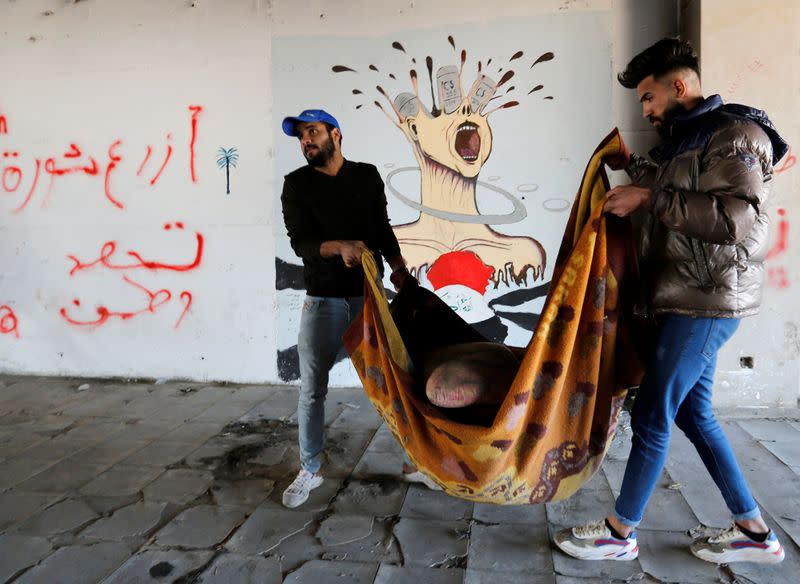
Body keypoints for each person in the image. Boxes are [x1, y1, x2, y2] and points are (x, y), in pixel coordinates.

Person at [553, 38, 787, 564]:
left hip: (706, 302)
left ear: (679, 86)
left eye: (649, 97)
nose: (646, 109)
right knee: (693, 414)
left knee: (654, 414)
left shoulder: (735, 134)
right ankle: (753, 531)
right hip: (688, 295)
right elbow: (682, 195)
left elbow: (739, 223)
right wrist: (638, 179)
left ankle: (620, 532)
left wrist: (649, 197)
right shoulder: (689, 140)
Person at [280, 109, 440, 508]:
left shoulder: (366, 176)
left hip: (371, 298)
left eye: (312, 132)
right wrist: (341, 248)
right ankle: (310, 469)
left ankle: (414, 462)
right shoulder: (296, 185)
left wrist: (400, 268)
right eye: (301, 136)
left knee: (396, 382)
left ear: (336, 133)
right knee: (313, 388)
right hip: (324, 301)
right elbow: (301, 244)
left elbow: (382, 229)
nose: (306, 141)